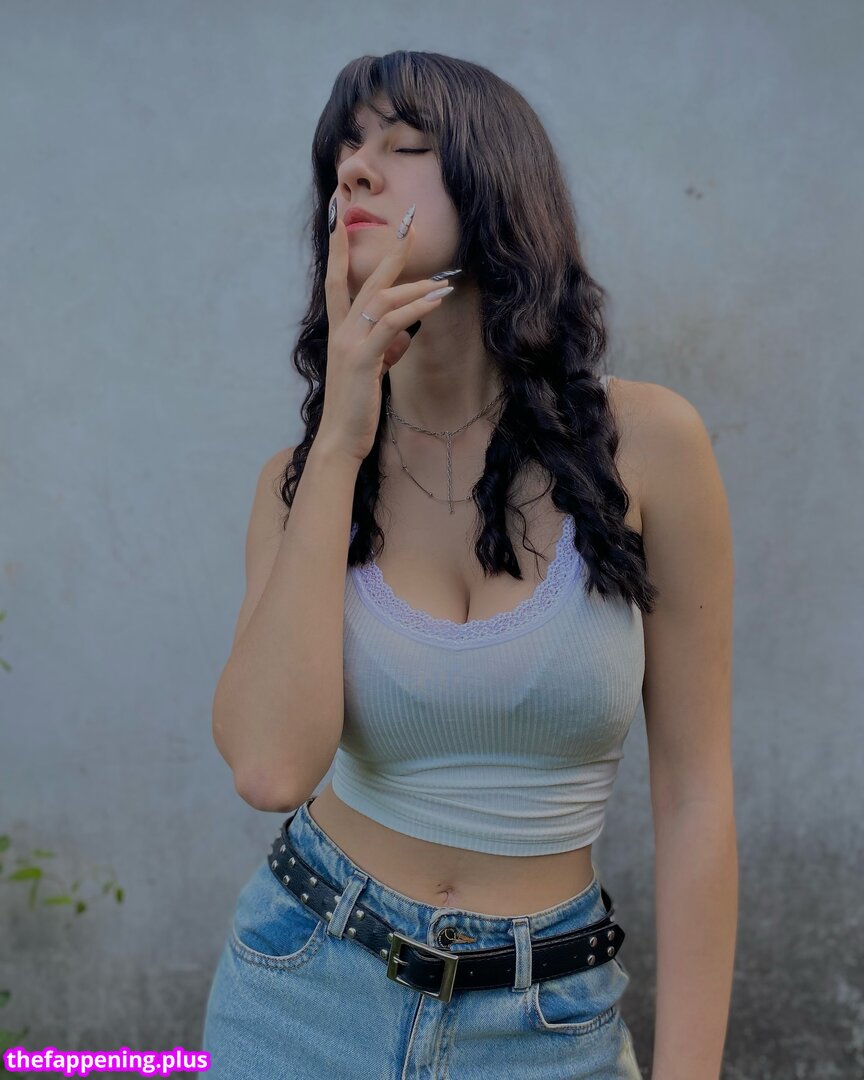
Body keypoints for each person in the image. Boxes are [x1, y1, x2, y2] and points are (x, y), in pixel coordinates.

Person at [200, 50, 737, 1080]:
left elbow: (696, 795)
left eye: (404, 145)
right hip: (302, 991)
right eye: (343, 154)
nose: (355, 168)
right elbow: (269, 769)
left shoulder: (648, 446)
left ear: (499, 189)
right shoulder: (298, 483)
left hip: (545, 1023)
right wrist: (342, 438)